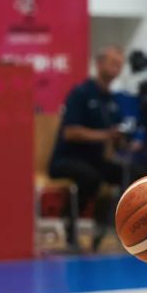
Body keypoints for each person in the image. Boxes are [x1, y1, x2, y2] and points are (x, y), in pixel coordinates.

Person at [49, 45, 130, 249]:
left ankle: (104, 229)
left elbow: (117, 133)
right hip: (67, 160)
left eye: (120, 64)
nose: (117, 68)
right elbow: (70, 132)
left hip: (95, 161)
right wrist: (105, 135)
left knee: (126, 173)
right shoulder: (81, 93)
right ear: (99, 64)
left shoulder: (112, 100)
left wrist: (125, 140)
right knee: (91, 178)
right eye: (113, 63)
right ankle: (69, 229)